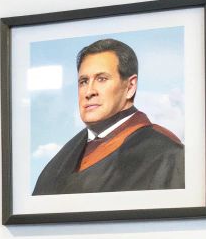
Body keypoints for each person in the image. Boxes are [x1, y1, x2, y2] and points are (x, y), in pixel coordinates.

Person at [31, 39, 185, 196]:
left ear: (130, 87)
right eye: (83, 81)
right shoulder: (60, 160)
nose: (89, 92)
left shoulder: (166, 154)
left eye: (102, 79)